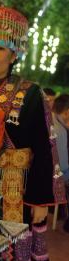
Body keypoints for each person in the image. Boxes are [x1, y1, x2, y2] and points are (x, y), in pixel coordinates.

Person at [0, 6, 66, 261]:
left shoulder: (32, 93)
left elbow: (45, 150)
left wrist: (41, 201)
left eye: (0, 48)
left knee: (13, 255)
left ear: (13, 53)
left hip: (17, 191)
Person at [52, 94, 69, 232]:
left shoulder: (49, 119)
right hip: (54, 173)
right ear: (67, 112)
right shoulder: (60, 130)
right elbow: (62, 166)